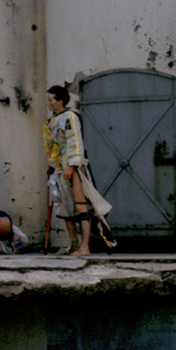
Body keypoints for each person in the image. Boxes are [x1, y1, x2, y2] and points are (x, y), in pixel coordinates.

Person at [44, 85, 116, 256]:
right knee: (65, 207)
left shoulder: (70, 117)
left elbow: (75, 142)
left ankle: (85, 246)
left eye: (51, 99)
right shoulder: (54, 119)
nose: (48, 102)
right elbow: (55, 146)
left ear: (60, 101)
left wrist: (71, 165)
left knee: (80, 205)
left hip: (72, 167)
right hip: (61, 166)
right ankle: (73, 244)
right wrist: (52, 165)